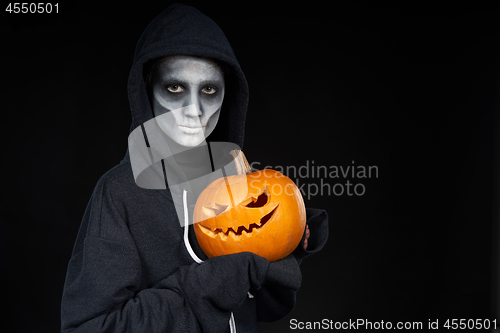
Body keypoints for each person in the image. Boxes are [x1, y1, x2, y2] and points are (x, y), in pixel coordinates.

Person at [61, 4, 328, 333]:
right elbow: (90, 327)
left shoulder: (233, 180)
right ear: (147, 89)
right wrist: (207, 284)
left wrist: (282, 247)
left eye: (209, 90)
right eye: (175, 88)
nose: (194, 110)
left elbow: (258, 309)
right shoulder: (119, 193)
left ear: (227, 94)